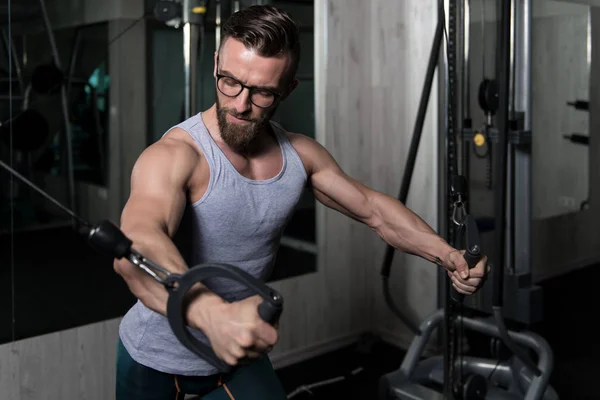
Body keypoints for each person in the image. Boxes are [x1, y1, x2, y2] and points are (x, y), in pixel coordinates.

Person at [113, 4, 489, 400]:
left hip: (238, 353)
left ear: (288, 89)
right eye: (230, 82)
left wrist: (447, 254)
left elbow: (375, 210)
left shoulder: (300, 156)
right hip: (154, 357)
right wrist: (212, 314)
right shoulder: (175, 155)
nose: (241, 104)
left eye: (261, 92)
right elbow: (136, 243)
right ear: (215, 65)